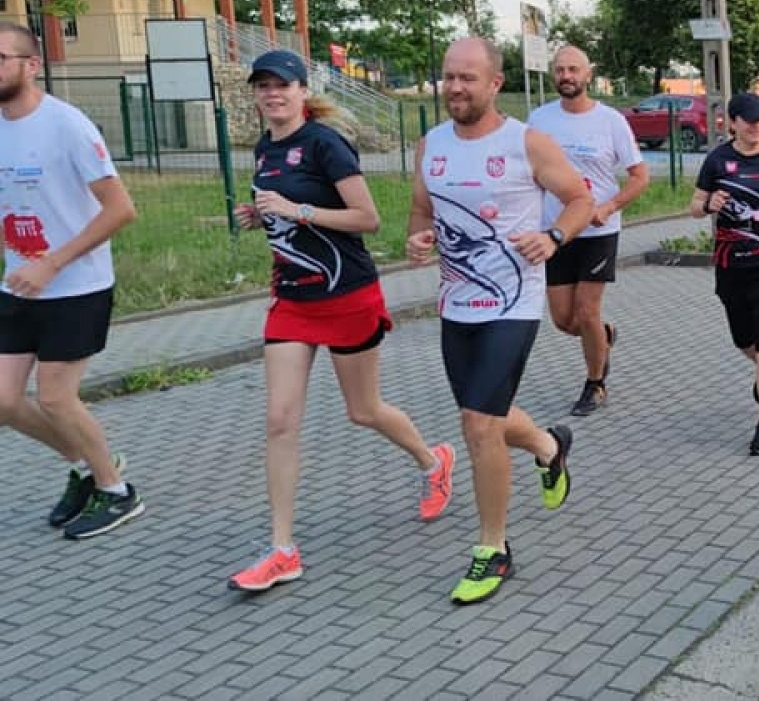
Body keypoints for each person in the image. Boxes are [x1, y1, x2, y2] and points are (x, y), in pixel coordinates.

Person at [226, 50, 455, 593]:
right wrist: (262, 215)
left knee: (364, 410)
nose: (272, 94)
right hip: (291, 300)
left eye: (282, 85)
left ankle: (433, 459)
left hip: (346, 293)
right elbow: (286, 214)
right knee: (280, 420)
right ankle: (283, 549)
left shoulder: (326, 144)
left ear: (304, 92)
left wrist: (297, 210)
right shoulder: (265, 148)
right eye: (263, 87)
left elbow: (367, 219)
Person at [406, 37, 594, 605]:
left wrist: (553, 235)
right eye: (448, 76)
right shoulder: (431, 144)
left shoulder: (526, 143)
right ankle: (546, 446)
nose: (456, 87)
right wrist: (418, 237)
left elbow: (580, 199)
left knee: (479, 427)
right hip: (455, 304)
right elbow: (421, 210)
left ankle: (493, 549)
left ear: (494, 83)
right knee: (479, 416)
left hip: (512, 302)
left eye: (468, 77)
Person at [0, 22, 141, 539]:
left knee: (57, 397)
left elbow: (121, 209)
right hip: (19, 286)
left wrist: (51, 263)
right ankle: (87, 460)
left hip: (75, 285)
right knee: (3, 400)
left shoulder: (67, 125)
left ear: (30, 65)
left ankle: (115, 490)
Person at [525, 45, 649, 416]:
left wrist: (609, 206)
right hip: (555, 231)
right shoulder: (539, 119)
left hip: (598, 230)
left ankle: (595, 384)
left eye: (573, 69)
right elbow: (526, 173)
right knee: (564, 320)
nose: (567, 76)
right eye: (560, 70)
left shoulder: (610, 121)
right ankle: (603, 339)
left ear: (588, 74)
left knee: (587, 310)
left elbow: (640, 177)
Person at [690, 93, 759, 456]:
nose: (757, 127)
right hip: (731, 261)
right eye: (750, 121)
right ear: (733, 122)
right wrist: (709, 204)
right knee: (744, 339)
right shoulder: (718, 160)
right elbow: (694, 205)